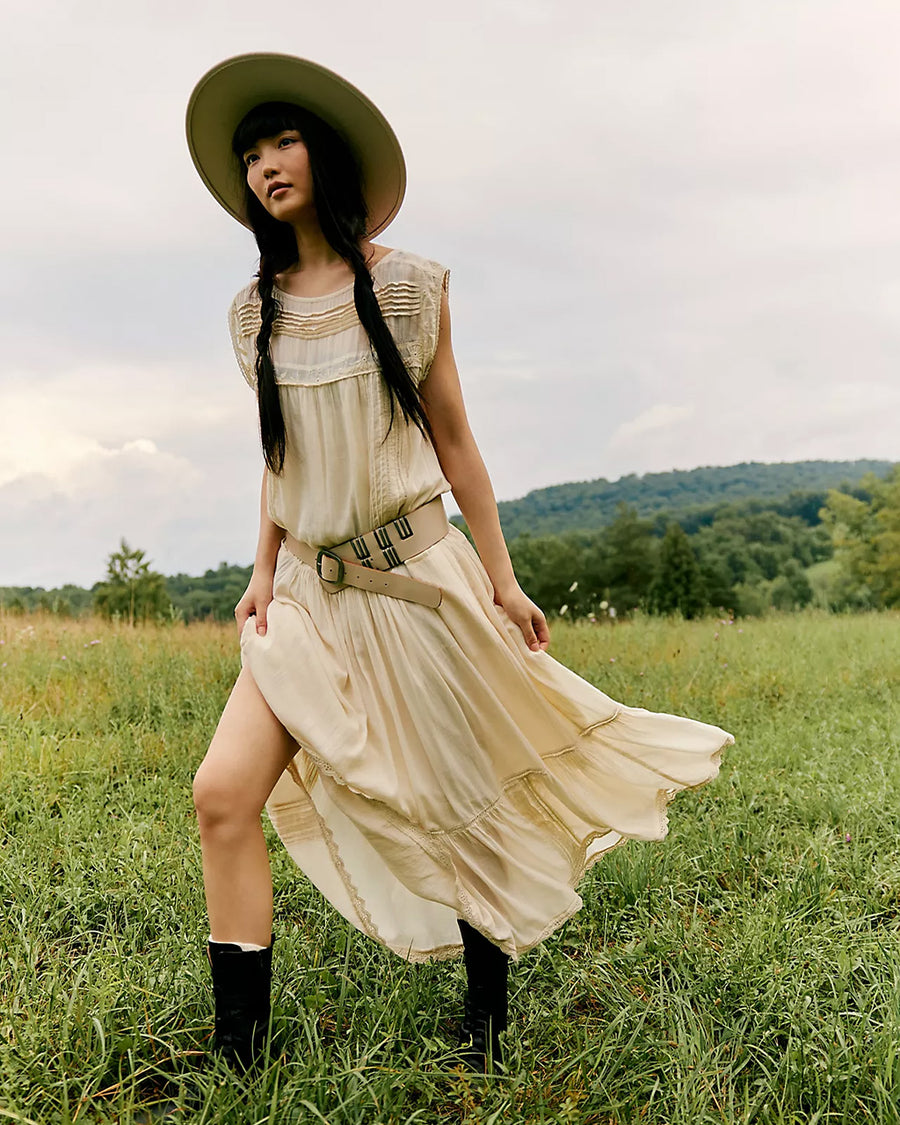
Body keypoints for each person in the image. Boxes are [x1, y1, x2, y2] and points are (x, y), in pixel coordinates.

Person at [185, 52, 733, 1073]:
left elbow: (455, 440)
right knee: (222, 794)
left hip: (416, 582)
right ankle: (238, 1058)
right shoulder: (249, 312)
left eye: (283, 140)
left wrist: (502, 575)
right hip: (306, 594)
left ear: (326, 152)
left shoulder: (407, 288)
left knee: (458, 804)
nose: (266, 164)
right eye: (250, 153)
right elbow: (277, 454)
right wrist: (261, 570)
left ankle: (485, 1020)